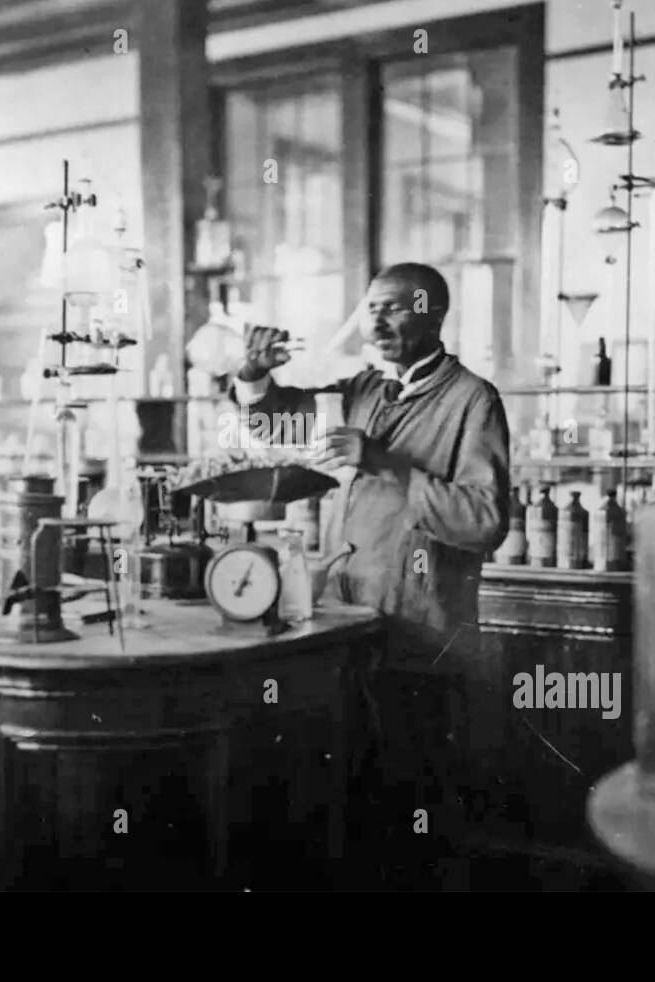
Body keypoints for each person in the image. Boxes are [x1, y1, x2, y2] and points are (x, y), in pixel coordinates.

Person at [231, 262, 511, 886]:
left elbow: (485, 520)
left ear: (434, 314)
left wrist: (385, 461)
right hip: (350, 626)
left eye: (394, 307)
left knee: (419, 802)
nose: (377, 320)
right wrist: (254, 377)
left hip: (424, 634)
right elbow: (278, 422)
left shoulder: (473, 400)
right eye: (371, 308)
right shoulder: (365, 389)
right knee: (358, 801)